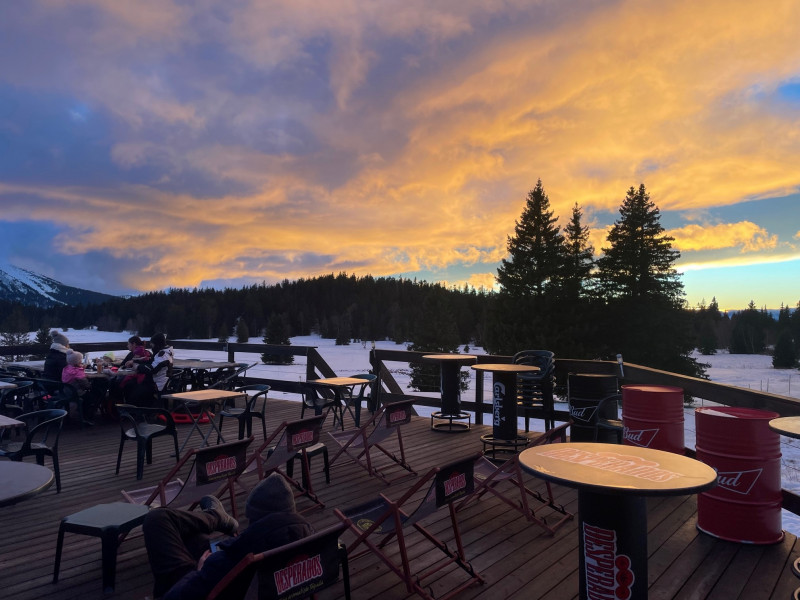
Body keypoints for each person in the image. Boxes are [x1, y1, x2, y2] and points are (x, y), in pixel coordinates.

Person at [142, 473, 312, 600]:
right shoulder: (310, 539)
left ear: (255, 519)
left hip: (207, 586)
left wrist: (199, 570)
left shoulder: (236, 559)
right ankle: (214, 517)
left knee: (156, 519)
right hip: (253, 579)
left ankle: (215, 516)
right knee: (197, 538)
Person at [61, 350, 101, 424]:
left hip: (66, 391)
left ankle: (81, 413)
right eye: (80, 360)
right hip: (77, 393)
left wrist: (81, 368)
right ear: (77, 361)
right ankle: (87, 415)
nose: (81, 361)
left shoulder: (66, 368)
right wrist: (90, 385)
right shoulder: (77, 372)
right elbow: (85, 384)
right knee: (93, 395)